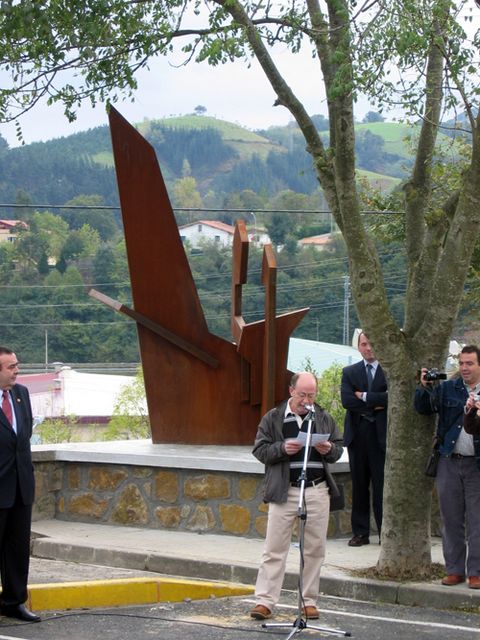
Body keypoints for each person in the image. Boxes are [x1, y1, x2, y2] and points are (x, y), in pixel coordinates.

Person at [249, 372, 343, 621]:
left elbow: (338, 450)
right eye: (302, 394)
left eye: (311, 395)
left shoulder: (322, 418)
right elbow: (259, 449)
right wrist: (282, 448)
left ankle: (308, 601)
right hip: (285, 490)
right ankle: (265, 601)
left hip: (316, 489)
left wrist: (329, 448)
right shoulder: (274, 417)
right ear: (291, 391)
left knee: (314, 548)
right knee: (274, 548)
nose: (306, 400)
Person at [415, 345, 480, 589]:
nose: (464, 368)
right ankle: (454, 569)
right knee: (450, 519)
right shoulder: (448, 388)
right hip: (449, 460)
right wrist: (425, 386)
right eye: (462, 363)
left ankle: (476, 571)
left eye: (470, 363)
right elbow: (422, 408)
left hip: (477, 464)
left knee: (477, 520)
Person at [0, 347, 40, 622]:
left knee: (17, 549)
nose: (17, 371)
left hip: (20, 487)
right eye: (10, 367)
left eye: (17, 365)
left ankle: (14, 602)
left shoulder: (21, 394)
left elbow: (23, 437)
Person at [341, 331, 388, 546]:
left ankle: (384, 532)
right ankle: (360, 533)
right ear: (358, 346)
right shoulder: (350, 372)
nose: (369, 348)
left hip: (381, 437)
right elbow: (348, 401)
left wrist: (366, 397)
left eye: (372, 344)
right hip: (357, 436)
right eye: (364, 344)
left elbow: (392, 398)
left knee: (381, 486)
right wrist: (377, 404)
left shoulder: (389, 372)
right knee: (359, 486)